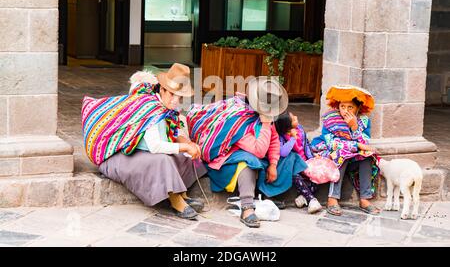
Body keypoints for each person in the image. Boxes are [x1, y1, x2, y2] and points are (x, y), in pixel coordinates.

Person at [82, 63, 207, 220]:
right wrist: (184, 147)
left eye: (179, 97)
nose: (175, 100)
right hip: (117, 158)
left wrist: (188, 145)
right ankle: (175, 201)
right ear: (162, 89)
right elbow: (155, 146)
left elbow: (174, 132)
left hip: (141, 154)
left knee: (185, 157)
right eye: (172, 94)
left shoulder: (167, 109)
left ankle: (181, 193)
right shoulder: (150, 107)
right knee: (162, 160)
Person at [187, 77, 287, 228]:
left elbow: (273, 141)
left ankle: (267, 194)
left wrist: (273, 164)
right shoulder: (240, 120)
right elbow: (259, 151)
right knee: (249, 162)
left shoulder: (261, 117)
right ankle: (247, 207)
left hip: (253, 156)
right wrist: (266, 123)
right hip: (226, 162)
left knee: (289, 158)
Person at [311, 85, 381, 216]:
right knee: (341, 153)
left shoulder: (364, 121)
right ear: (338, 106)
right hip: (335, 157)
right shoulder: (331, 119)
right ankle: (332, 198)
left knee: (367, 156)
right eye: (342, 106)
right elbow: (332, 144)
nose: (345, 111)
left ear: (358, 108)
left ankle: (364, 199)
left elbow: (365, 143)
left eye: (350, 107)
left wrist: (354, 127)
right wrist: (357, 146)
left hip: (354, 160)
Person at [258, 111, 322, 214]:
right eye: (293, 119)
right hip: (287, 163)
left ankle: (304, 197)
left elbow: (306, 144)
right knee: (294, 171)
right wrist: (292, 138)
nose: (296, 117)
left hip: (304, 161)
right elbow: (283, 152)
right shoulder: (282, 136)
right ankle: (311, 199)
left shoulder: (300, 129)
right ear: (287, 127)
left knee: (317, 175)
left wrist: (312, 156)